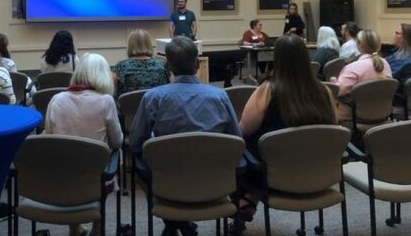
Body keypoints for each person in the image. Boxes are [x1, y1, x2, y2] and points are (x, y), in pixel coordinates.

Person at [130, 36, 241, 236]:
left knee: (140, 166)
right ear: (198, 64)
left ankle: (173, 222)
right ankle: (178, 224)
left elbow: (137, 143)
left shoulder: (153, 97)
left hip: (168, 182)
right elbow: (236, 139)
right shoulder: (220, 96)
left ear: (168, 66)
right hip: (213, 182)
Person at [234, 34, 337, 234]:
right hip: (319, 172)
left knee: (241, 148)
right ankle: (247, 201)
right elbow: (333, 129)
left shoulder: (267, 90)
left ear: (277, 59)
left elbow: (244, 129)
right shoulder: (324, 91)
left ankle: (246, 202)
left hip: (272, 175)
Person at [44, 53, 122, 236]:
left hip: (62, 174)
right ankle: (98, 227)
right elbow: (117, 141)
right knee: (109, 163)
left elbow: (48, 137)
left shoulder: (57, 99)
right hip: (96, 177)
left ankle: (74, 228)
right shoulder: (106, 101)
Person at [330, 29, 392, 122]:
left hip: (353, 116)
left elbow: (338, 92)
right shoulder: (385, 64)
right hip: (382, 114)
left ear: (359, 45)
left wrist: (333, 82)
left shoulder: (353, 67)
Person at [113, 29, 170, 96]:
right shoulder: (162, 65)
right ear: (149, 44)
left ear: (130, 45)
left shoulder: (121, 66)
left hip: (130, 106)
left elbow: (114, 92)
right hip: (155, 105)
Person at [385, 24, 411, 110]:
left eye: (397, 33)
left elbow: (388, 77)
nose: (394, 35)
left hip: (396, 100)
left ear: (405, 38)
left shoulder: (406, 62)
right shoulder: (398, 52)